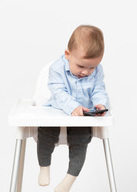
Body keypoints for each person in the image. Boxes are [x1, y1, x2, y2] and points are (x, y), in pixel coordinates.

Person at [37, 25, 109, 192]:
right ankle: (44, 167)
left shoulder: (96, 71)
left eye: (91, 68)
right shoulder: (56, 68)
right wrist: (72, 106)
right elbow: (58, 92)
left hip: (82, 115)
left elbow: (99, 89)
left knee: (81, 140)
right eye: (81, 66)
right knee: (46, 133)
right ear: (67, 55)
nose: (86, 72)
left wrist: (100, 104)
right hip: (58, 110)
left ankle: (69, 179)